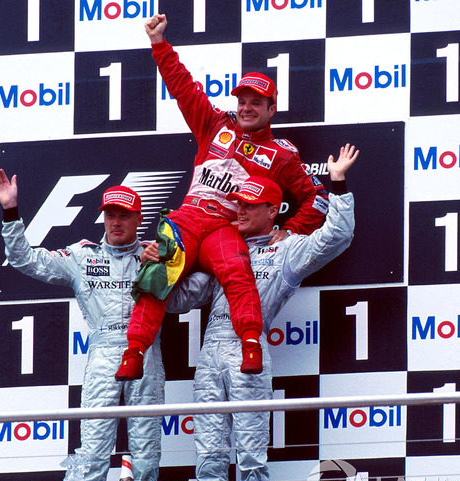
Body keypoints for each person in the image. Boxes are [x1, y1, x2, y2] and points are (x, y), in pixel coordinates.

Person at [115, 13, 329, 381]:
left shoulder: (281, 154)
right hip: (187, 218)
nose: (246, 107)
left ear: (271, 109)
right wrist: (159, 44)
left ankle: (250, 344)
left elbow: (318, 198)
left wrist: (290, 230)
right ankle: (133, 352)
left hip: (224, 228)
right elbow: (184, 89)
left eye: (256, 103)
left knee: (239, 274)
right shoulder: (214, 124)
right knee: (155, 273)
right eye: (242, 100)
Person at [160, 145, 358, 481]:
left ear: (273, 211)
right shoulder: (221, 247)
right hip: (210, 354)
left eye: (251, 205)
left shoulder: (287, 250)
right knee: (209, 452)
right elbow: (180, 298)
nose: (242, 210)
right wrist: (156, 267)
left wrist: (339, 185)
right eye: (239, 203)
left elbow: (336, 237)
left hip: (249, 351)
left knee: (251, 452)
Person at [0, 168, 164, 481]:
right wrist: (10, 210)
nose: (116, 223)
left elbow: (191, 292)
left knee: (146, 452)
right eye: (110, 215)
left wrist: (163, 268)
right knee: (94, 452)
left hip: (146, 354)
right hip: (103, 354)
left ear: (138, 218)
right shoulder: (83, 257)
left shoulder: (156, 255)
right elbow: (26, 259)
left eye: (124, 216)